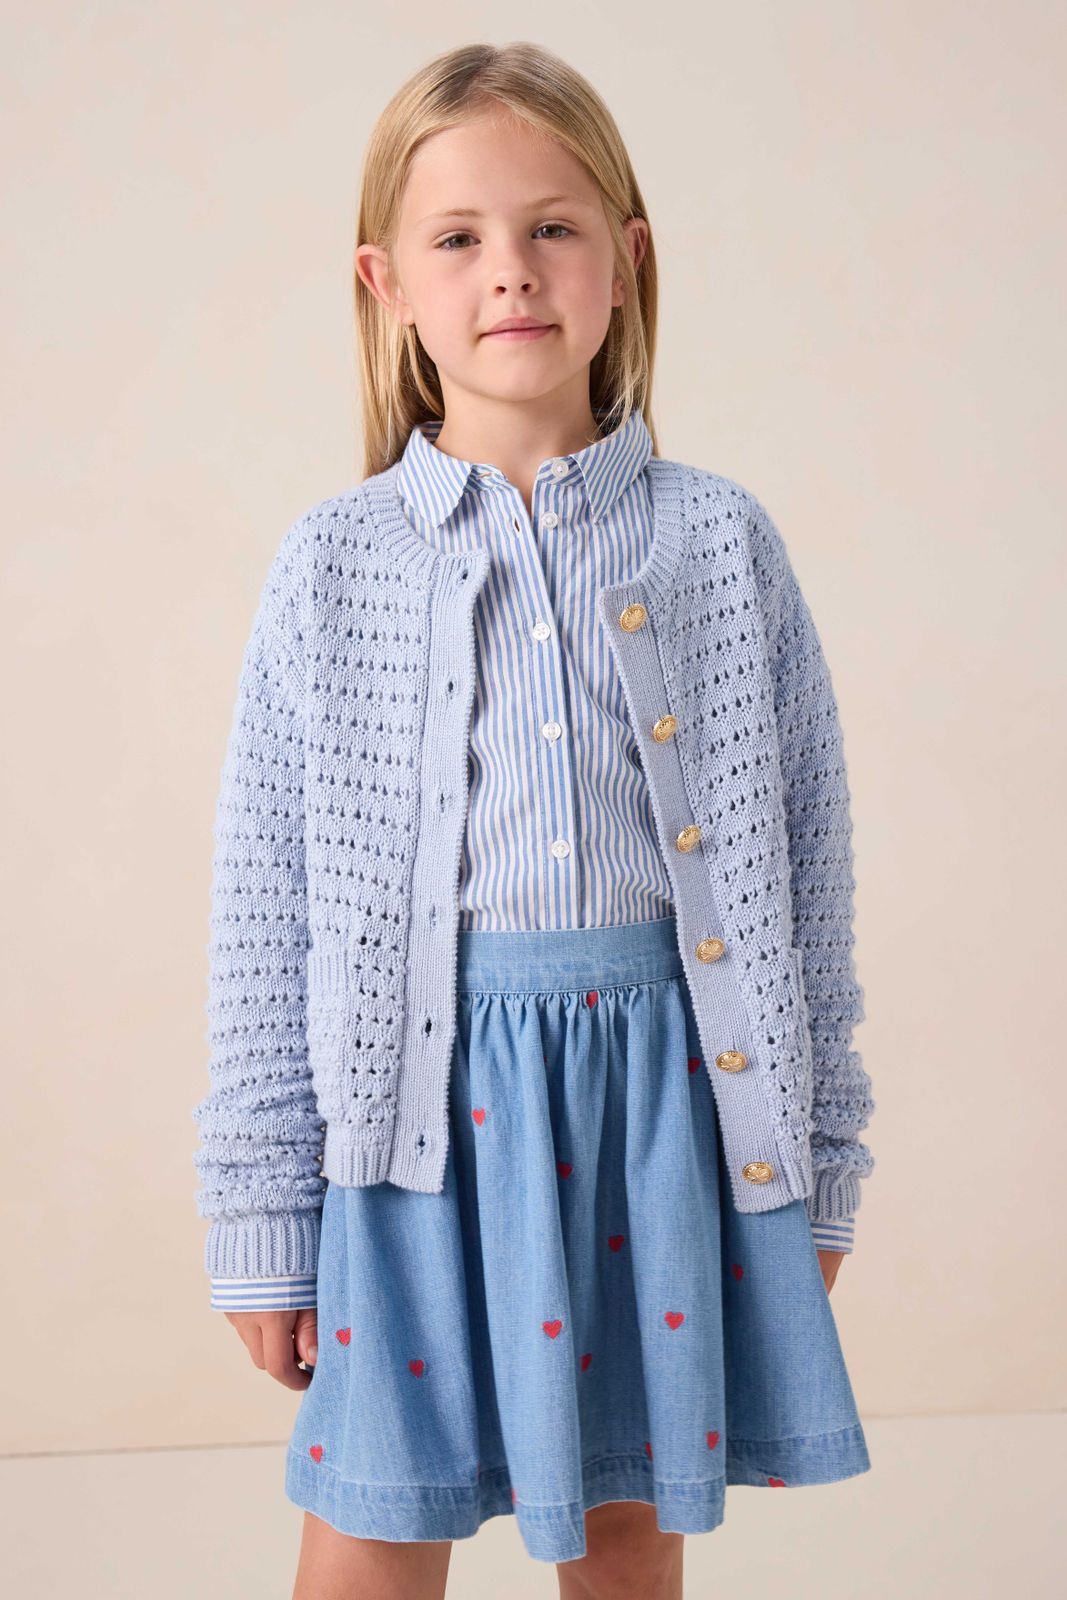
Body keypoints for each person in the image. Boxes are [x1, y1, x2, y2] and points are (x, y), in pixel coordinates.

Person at [191, 39, 876, 1600]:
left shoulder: (720, 543)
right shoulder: (334, 567)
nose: (510, 270)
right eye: (458, 237)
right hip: (414, 1132)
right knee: (371, 1541)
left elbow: (809, 880)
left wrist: (816, 1165)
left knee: (628, 1536)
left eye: (552, 227)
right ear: (385, 285)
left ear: (626, 262)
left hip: (660, 1121)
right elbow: (263, 914)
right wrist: (260, 1214)